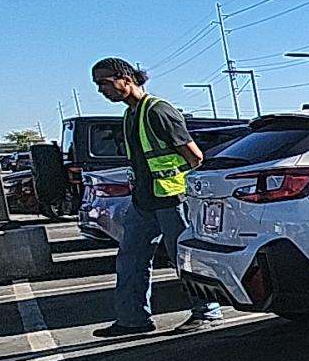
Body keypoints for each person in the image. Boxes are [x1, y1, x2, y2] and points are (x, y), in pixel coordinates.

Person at [88, 57, 222, 337]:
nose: (101, 90)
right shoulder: (130, 114)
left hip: (173, 198)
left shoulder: (158, 111)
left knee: (184, 257)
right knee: (131, 257)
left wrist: (194, 192)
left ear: (125, 78)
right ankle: (132, 318)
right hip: (145, 200)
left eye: (105, 82)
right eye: (98, 84)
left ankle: (207, 311)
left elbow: (195, 156)